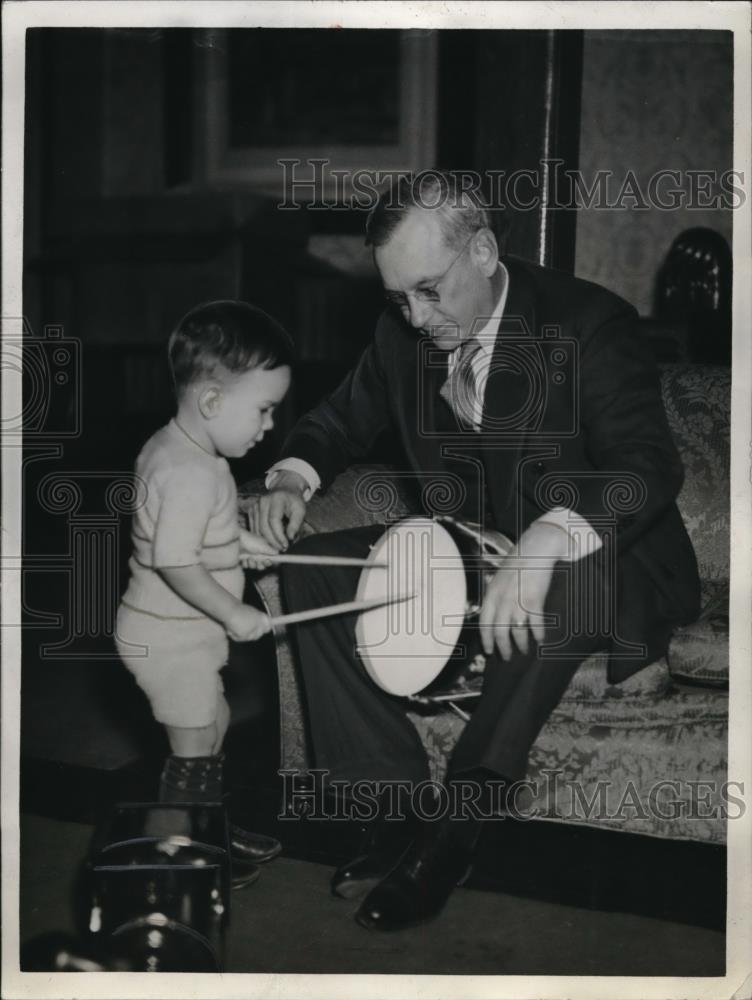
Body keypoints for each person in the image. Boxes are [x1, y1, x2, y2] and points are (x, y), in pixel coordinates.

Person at [254, 171, 701, 930]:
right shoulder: (404, 329)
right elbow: (338, 419)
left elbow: (647, 470)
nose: (415, 317)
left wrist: (547, 538)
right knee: (314, 577)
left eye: (428, 291)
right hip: (474, 549)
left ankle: (459, 823)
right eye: (398, 298)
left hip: (607, 563)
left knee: (559, 581)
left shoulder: (590, 322)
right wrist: (292, 476)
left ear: (486, 251)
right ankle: (390, 807)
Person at [115, 300, 292, 884]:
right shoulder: (190, 471)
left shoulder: (185, 450)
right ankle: (173, 853)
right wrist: (234, 611)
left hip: (178, 635)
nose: (268, 427)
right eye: (263, 411)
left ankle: (203, 825)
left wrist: (241, 541)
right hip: (170, 639)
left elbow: (200, 533)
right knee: (193, 749)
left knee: (214, 723)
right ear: (213, 402)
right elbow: (173, 558)